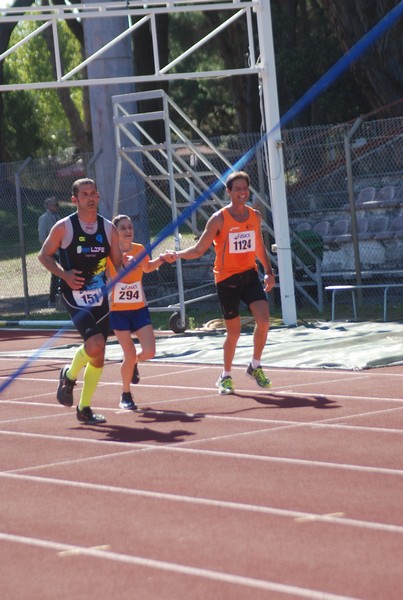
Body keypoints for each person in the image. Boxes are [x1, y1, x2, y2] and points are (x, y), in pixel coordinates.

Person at [165, 170, 275, 394]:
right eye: (238, 189)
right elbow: (199, 249)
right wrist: (177, 255)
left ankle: (255, 365)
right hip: (227, 280)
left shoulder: (254, 216)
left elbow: (258, 246)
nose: (242, 193)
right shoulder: (219, 219)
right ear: (229, 192)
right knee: (233, 333)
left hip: (249, 275)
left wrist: (268, 271)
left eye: (245, 188)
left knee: (264, 321)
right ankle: (225, 376)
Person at [38, 178, 122, 424]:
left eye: (93, 193)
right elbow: (44, 256)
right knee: (94, 343)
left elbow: (118, 263)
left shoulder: (109, 229)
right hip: (74, 295)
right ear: (75, 200)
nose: (90, 197)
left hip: (99, 296)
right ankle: (70, 373)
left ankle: (84, 408)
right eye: (84, 194)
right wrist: (64, 274)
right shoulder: (64, 227)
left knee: (98, 354)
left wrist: (131, 265)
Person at [107, 214, 168, 410]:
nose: (128, 230)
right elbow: (108, 278)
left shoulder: (140, 249)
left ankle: (133, 364)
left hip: (139, 309)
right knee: (129, 352)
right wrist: (123, 265)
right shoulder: (109, 253)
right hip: (118, 311)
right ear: (115, 232)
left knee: (149, 352)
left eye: (130, 227)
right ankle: (126, 394)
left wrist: (162, 259)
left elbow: (148, 268)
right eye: (123, 227)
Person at [38, 197, 60, 308]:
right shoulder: (44, 218)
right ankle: (52, 300)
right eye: (55, 204)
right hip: (52, 251)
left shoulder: (57, 217)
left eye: (57, 204)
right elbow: (42, 236)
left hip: (61, 251)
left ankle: (61, 298)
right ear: (48, 206)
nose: (57, 206)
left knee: (63, 273)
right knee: (56, 275)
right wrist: (49, 249)